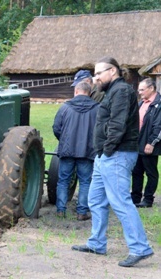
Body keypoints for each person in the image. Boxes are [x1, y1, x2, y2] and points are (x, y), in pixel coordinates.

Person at [72, 57, 154, 267]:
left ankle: (140, 248)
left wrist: (108, 149)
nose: (95, 77)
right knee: (95, 199)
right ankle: (97, 243)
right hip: (105, 155)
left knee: (120, 201)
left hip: (116, 154)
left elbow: (117, 124)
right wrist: (102, 152)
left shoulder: (122, 91)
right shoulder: (111, 91)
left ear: (113, 71)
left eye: (99, 73)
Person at [52, 81, 99, 220]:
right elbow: (101, 130)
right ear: (89, 93)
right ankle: (82, 212)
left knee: (63, 180)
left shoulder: (65, 107)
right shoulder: (97, 108)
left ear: (76, 92)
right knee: (85, 181)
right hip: (87, 151)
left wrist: (64, 140)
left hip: (67, 150)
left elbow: (56, 128)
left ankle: (60, 210)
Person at [131, 78, 161, 208]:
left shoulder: (159, 104)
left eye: (142, 90)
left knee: (151, 172)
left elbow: (159, 126)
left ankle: (148, 199)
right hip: (137, 144)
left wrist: (151, 143)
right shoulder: (141, 103)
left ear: (151, 88)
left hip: (149, 144)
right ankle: (135, 198)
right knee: (136, 172)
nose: (140, 92)